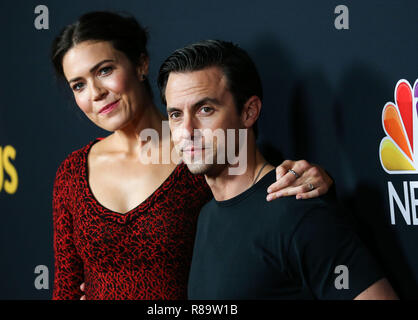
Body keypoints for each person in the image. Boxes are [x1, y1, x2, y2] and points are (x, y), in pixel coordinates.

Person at [51, 11, 333, 300]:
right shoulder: (73, 173)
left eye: (105, 70)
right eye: (79, 85)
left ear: (140, 64)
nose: (95, 92)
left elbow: (266, 207)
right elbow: (66, 287)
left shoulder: (203, 151)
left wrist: (316, 180)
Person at [157, 40, 399, 299]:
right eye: (175, 115)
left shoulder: (298, 210)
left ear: (249, 112)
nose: (187, 131)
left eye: (205, 110)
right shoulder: (206, 215)